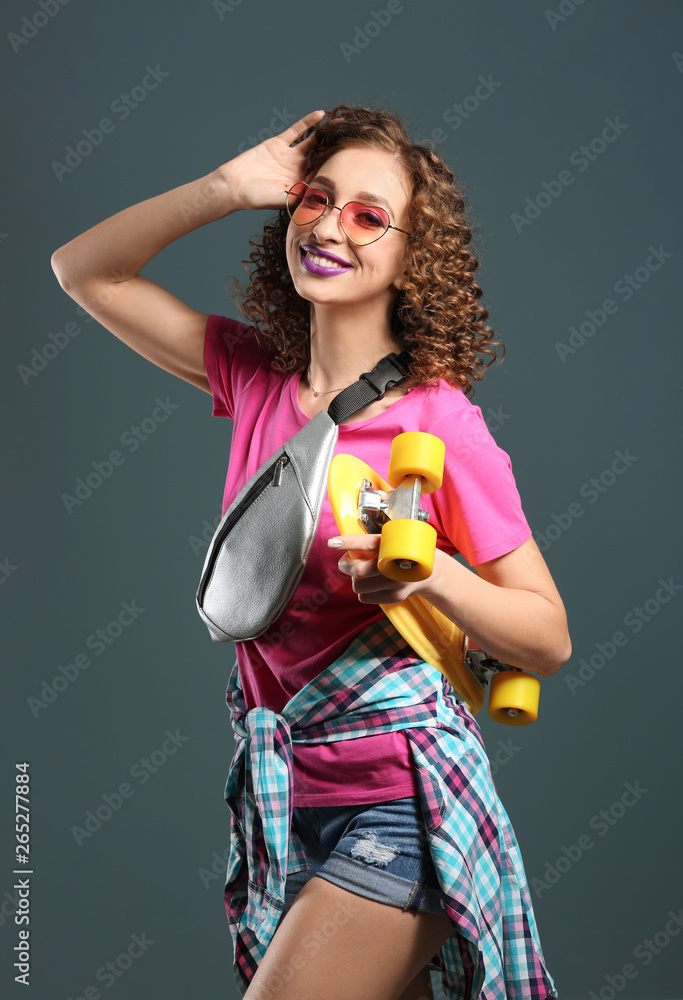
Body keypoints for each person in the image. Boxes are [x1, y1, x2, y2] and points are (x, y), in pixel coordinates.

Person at [51, 104, 570, 1000]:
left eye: (368, 215)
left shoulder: (437, 420)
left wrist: (426, 574)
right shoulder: (251, 376)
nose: (330, 226)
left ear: (413, 259)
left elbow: (546, 637)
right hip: (288, 802)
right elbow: (84, 271)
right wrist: (224, 189)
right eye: (314, 200)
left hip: (399, 799)